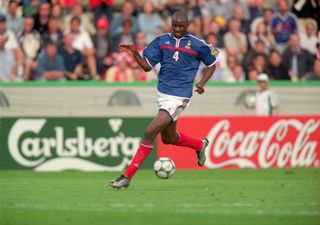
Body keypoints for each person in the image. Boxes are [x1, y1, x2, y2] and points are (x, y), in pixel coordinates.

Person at [109, 10, 219, 189]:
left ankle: (127, 176)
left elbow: (212, 65)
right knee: (168, 138)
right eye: (174, 25)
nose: (177, 29)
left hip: (180, 96)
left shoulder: (198, 45)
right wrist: (135, 54)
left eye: (181, 26)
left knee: (149, 132)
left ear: (187, 25)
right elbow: (146, 67)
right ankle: (200, 144)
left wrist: (202, 83)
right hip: (163, 95)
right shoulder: (161, 41)